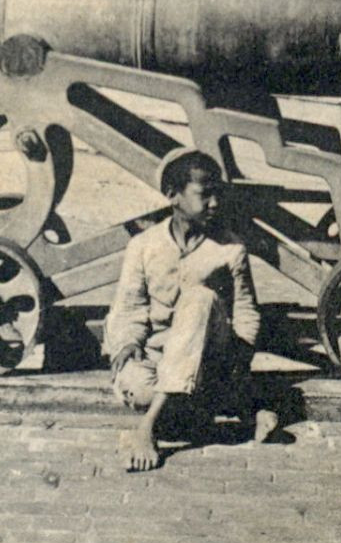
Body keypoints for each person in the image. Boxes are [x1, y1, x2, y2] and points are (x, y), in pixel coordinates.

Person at [105, 148, 278, 472]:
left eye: (218, 195)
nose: (215, 204)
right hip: (159, 355)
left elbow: (245, 310)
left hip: (210, 352)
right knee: (139, 390)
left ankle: (146, 429)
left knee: (198, 298)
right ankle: (239, 408)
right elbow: (130, 307)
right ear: (174, 196)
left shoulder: (229, 249)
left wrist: (238, 358)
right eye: (204, 194)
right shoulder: (144, 246)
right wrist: (128, 343)